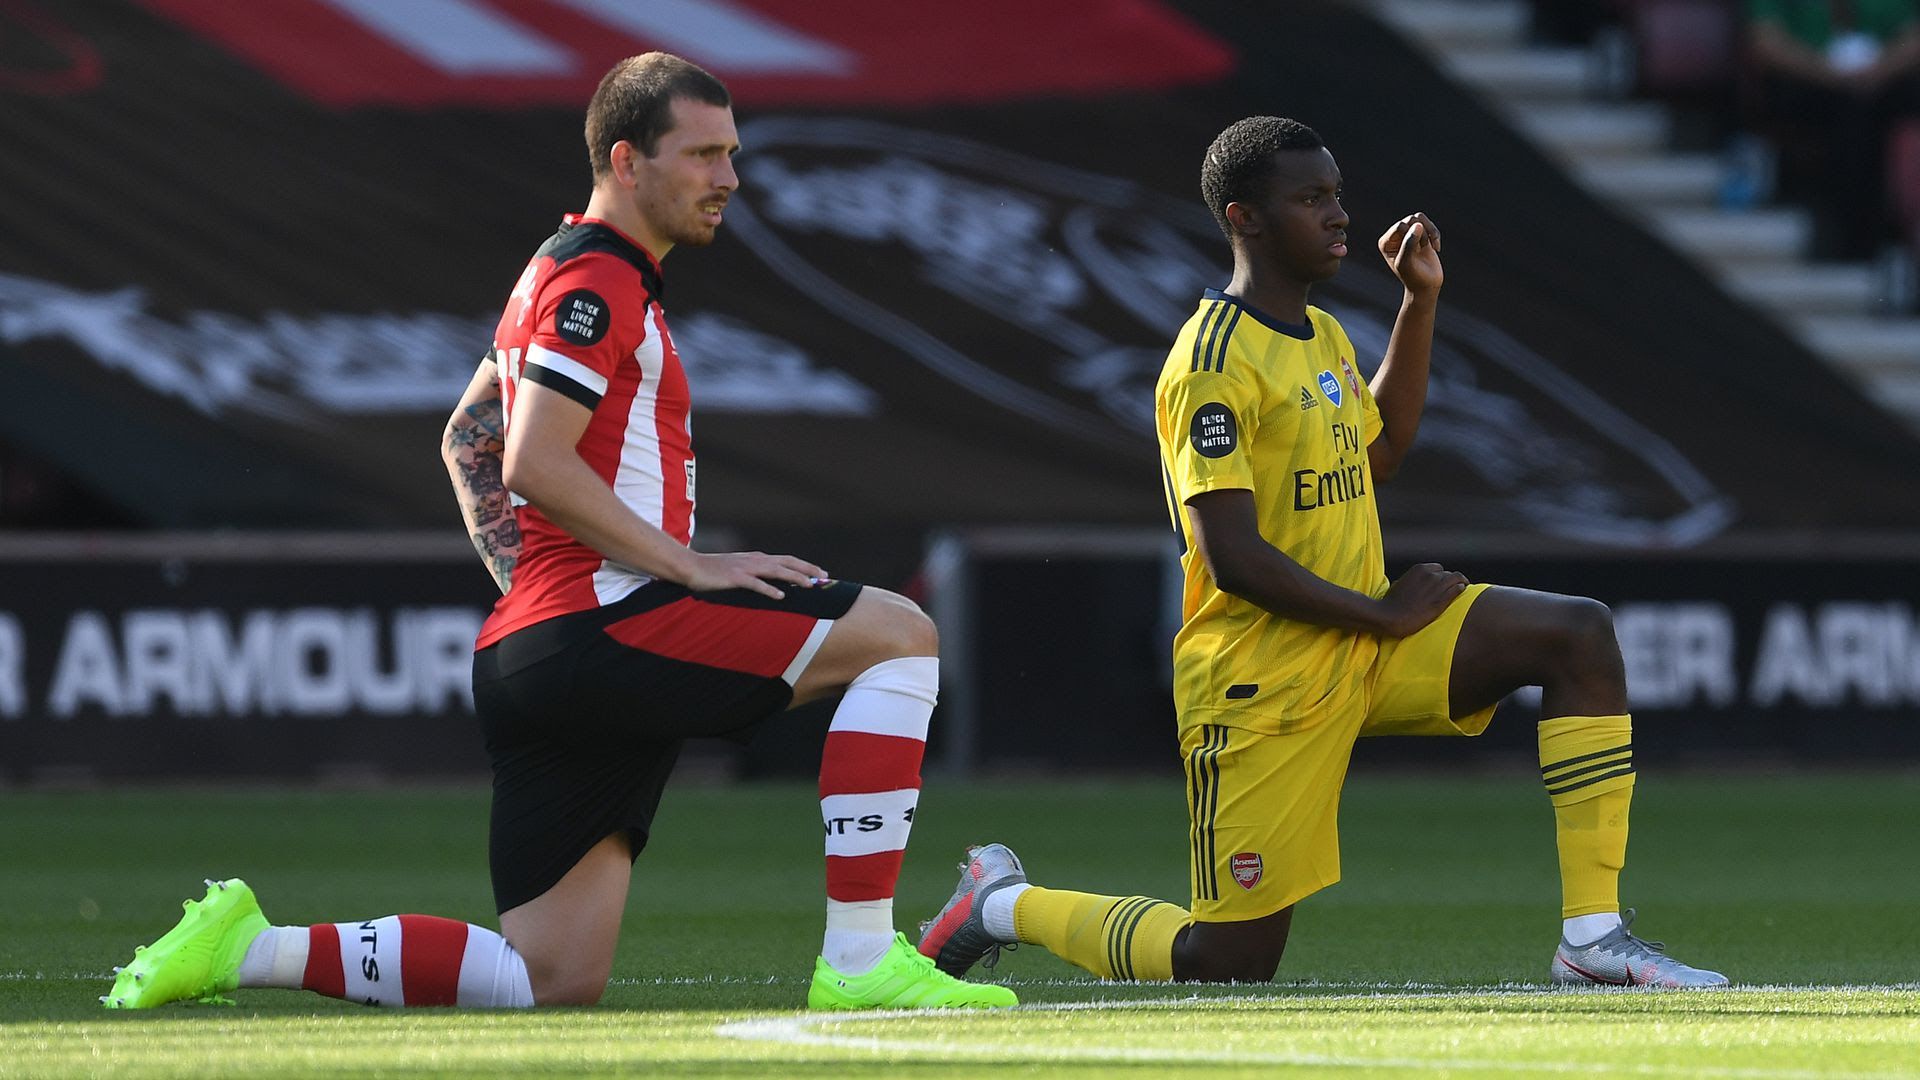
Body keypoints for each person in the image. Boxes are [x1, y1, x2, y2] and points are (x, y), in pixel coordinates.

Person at [102, 52, 1013, 1013]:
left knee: (549, 980)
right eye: (703, 154)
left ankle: (248, 947)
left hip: (543, 649)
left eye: (732, 154)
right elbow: (531, 460)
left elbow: (467, 441)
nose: (729, 178)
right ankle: (864, 963)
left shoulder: (556, 270)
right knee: (900, 637)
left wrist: (540, 599)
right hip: (608, 624)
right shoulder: (600, 284)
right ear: (627, 160)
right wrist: (684, 569)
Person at [918, 117, 1727, 990]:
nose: (1339, 215)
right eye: (1311, 199)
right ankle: (1000, 903)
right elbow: (1230, 556)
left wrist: (1418, 304)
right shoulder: (1209, 364)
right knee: (1226, 964)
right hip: (1261, 679)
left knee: (1576, 636)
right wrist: (1384, 611)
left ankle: (1593, 940)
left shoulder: (1324, 335)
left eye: (1336, 194)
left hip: (1365, 647)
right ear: (1246, 218)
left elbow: (1375, 456)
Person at [1744, 0, 1920, 257]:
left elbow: (1914, 36)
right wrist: (1831, 75)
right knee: (1850, 116)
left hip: (1882, 79)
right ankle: (1852, 236)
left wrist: (1878, 71)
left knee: (1881, 108)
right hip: (1807, 79)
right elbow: (1766, 42)